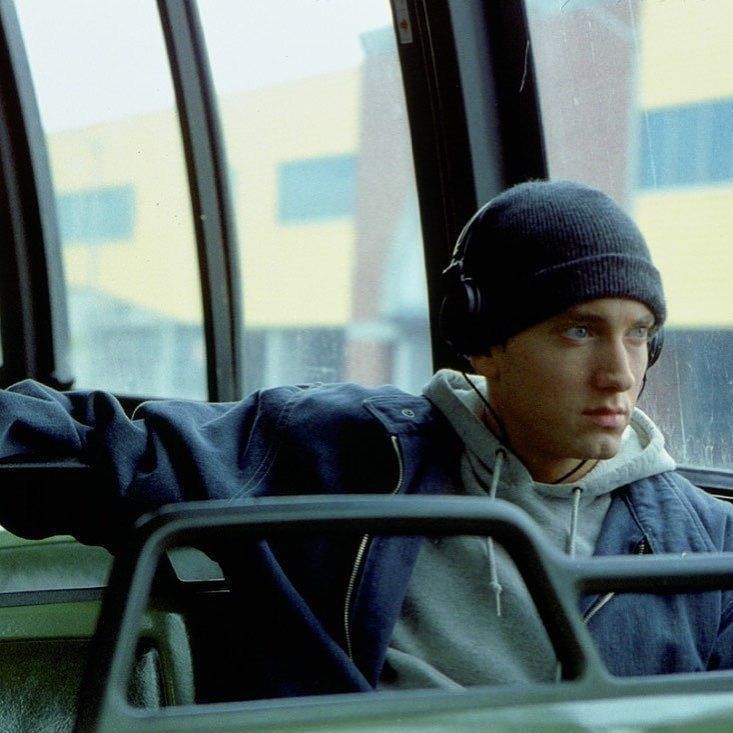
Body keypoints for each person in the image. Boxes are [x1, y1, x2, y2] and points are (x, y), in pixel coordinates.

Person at [0, 180, 731, 698]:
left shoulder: (703, 541)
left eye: (638, 335)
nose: (619, 373)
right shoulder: (339, 447)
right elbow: (98, 450)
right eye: (578, 330)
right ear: (482, 342)